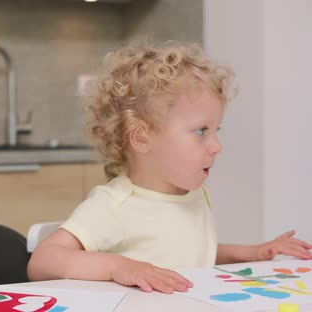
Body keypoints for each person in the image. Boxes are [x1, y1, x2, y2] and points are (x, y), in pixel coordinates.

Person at [27, 41, 312, 294]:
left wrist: (255, 252)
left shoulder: (193, 196)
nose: (216, 146)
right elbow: (43, 261)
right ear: (141, 137)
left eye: (216, 130)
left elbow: (190, 257)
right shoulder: (115, 204)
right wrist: (119, 266)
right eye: (201, 130)